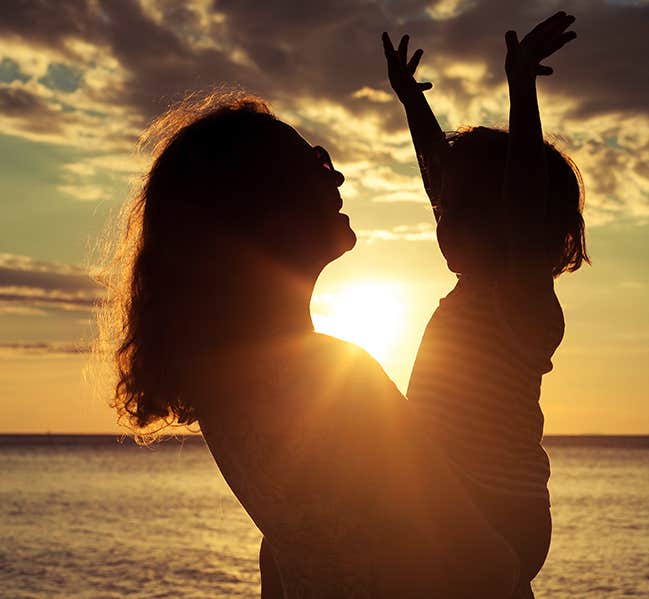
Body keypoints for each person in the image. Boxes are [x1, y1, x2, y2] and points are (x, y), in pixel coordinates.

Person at [98, 90, 521, 597]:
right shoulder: (335, 376)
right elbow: (480, 563)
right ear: (265, 207)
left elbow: (281, 559)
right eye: (314, 163)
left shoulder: (223, 394)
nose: (337, 175)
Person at [382, 11, 587, 598]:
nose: (439, 220)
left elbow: (520, 195)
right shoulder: (483, 286)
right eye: (441, 211)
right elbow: (440, 177)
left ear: (497, 222)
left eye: (453, 213)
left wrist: (521, 90)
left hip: (497, 507)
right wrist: (410, 104)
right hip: (462, 504)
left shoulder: (517, 294)